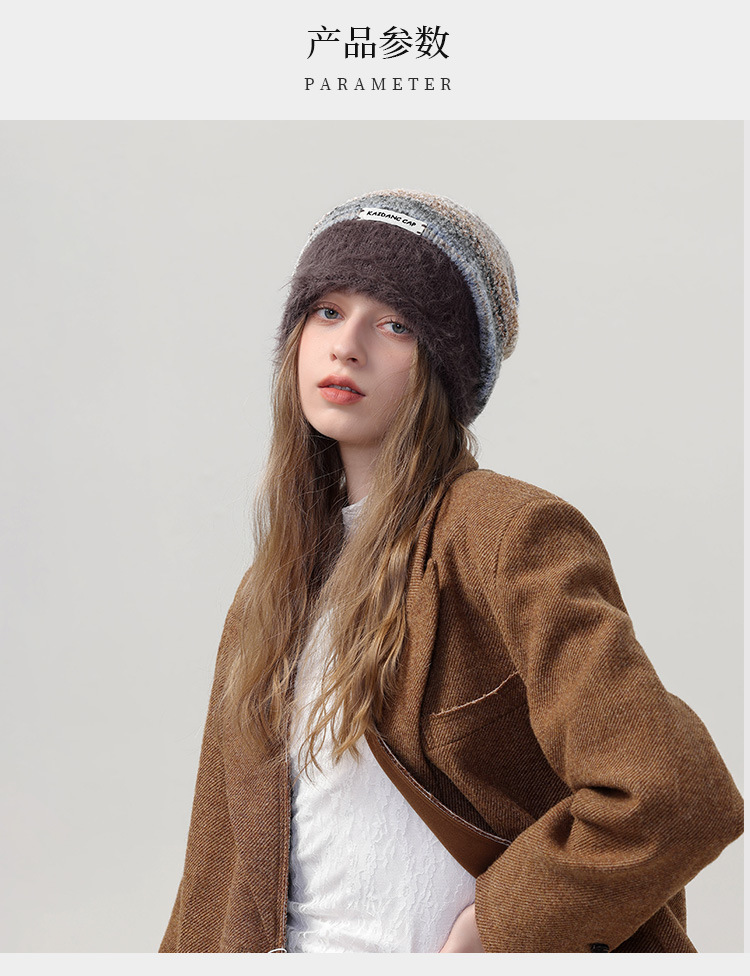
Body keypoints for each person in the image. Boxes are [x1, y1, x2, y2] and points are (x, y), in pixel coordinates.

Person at [159, 189, 743, 953]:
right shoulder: (270, 588)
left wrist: (495, 929)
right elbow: (218, 867)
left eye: (395, 324)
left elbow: (674, 795)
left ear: (446, 365)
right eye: (327, 311)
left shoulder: (504, 533)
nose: (347, 346)